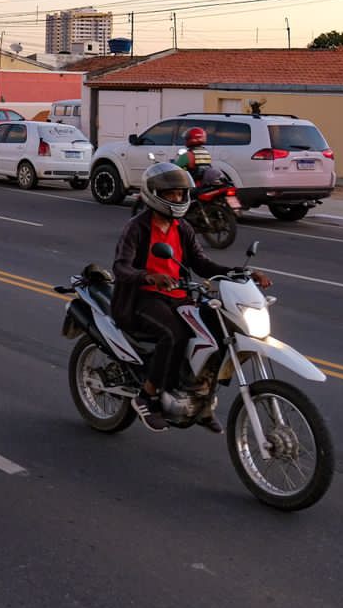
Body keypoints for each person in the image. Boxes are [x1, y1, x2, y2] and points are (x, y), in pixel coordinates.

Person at [111, 161, 269, 433]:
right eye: (170, 194)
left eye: (180, 194)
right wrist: (149, 276)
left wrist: (242, 273)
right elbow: (121, 267)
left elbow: (201, 263)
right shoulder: (137, 227)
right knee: (173, 335)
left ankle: (201, 398)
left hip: (179, 296)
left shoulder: (182, 227)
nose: (176, 199)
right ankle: (146, 395)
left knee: (217, 333)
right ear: (153, 194)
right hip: (141, 298)